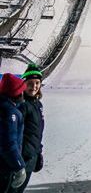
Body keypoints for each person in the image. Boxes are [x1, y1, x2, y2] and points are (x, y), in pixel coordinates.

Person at [14, 64, 43, 193]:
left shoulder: (37, 104)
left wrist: (38, 152)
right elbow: (13, 133)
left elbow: (37, 132)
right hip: (21, 159)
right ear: (24, 84)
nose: (34, 86)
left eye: (37, 83)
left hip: (31, 157)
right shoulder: (21, 105)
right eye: (30, 83)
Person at [0, 74, 26, 192]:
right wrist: (19, 166)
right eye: (21, 90)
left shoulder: (7, 107)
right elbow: (8, 143)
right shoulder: (9, 112)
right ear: (16, 93)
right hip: (5, 166)